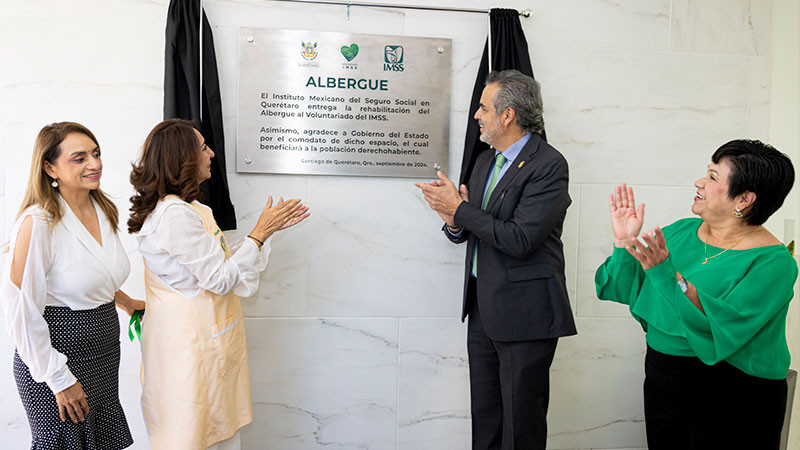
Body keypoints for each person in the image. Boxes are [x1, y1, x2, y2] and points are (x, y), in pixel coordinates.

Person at [595, 139, 797, 449]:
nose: (699, 182)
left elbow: (722, 326)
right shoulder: (681, 231)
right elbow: (621, 287)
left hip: (733, 390)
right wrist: (625, 242)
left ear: (743, 199)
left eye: (714, 177)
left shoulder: (773, 263)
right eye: (707, 172)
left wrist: (666, 273)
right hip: (663, 377)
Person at [415, 69, 576, 450]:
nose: (477, 116)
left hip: (526, 314)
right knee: (485, 417)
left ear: (507, 116)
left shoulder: (549, 165)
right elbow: (476, 228)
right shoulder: (486, 161)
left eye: (484, 108)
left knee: (520, 423)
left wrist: (461, 209)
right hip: (483, 307)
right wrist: (454, 221)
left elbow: (520, 239)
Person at [128, 118, 309, 450]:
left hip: (204, 347)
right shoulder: (174, 216)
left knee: (216, 433)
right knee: (193, 436)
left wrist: (262, 234)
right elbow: (221, 279)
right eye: (202, 148)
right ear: (181, 159)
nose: (211, 153)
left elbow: (218, 265)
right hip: (189, 355)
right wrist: (257, 235)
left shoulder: (193, 209)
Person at [1, 122, 143, 449]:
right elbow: (22, 311)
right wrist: (59, 379)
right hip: (55, 358)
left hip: (103, 353)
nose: (94, 164)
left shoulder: (102, 208)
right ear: (50, 167)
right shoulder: (38, 222)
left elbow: (89, 275)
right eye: (79, 158)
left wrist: (126, 302)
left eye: (96, 154)